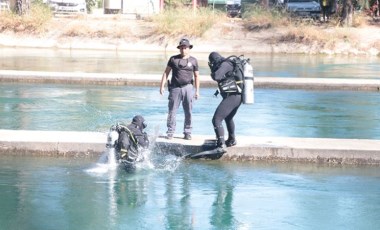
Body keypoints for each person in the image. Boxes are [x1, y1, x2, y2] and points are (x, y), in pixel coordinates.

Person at [159, 38, 200, 140]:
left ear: (189, 48)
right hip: (175, 88)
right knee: (172, 111)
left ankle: (187, 132)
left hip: (188, 88)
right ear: (179, 48)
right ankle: (170, 131)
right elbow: (166, 72)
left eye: (185, 47)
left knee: (188, 111)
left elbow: (197, 76)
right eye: (181, 48)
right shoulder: (173, 59)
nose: (183, 50)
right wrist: (162, 86)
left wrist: (197, 91)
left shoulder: (193, 60)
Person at [208, 52, 242, 153]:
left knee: (216, 119)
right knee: (228, 117)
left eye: (212, 63)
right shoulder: (229, 63)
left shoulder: (225, 64)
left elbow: (216, 76)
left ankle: (221, 144)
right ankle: (231, 140)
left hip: (232, 96)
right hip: (237, 96)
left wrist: (212, 72)